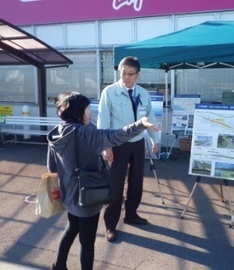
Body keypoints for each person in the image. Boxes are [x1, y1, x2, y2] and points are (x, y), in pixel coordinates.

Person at [47, 91, 158, 270]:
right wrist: (140, 124)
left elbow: (52, 168)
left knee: (71, 228)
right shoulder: (86, 133)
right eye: (88, 108)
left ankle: (59, 265)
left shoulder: (57, 132)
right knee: (87, 241)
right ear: (79, 111)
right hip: (88, 194)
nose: (90, 111)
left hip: (69, 194)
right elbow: (115, 136)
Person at [97, 56, 160, 242]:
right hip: (117, 143)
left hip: (138, 142)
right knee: (115, 185)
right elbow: (103, 120)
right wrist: (105, 145)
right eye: (123, 73)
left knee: (136, 182)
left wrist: (155, 140)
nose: (126, 77)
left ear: (138, 75)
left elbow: (150, 118)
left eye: (130, 74)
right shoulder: (109, 92)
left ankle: (131, 214)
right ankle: (110, 225)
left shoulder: (143, 93)